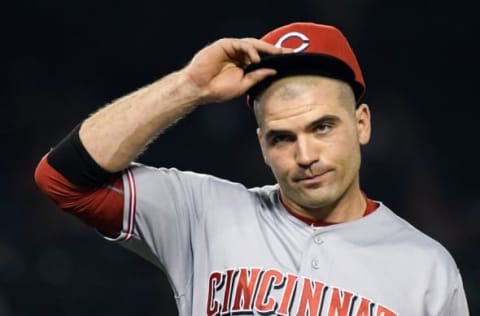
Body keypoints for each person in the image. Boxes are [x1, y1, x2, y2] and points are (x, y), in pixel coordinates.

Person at [34, 22, 469, 315]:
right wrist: (189, 87)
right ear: (262, 144)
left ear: (361, 124)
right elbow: (64, 180)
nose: (305, 155)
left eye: (322, 127)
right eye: (283, 137)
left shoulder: (426, 268)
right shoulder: (203, 212)